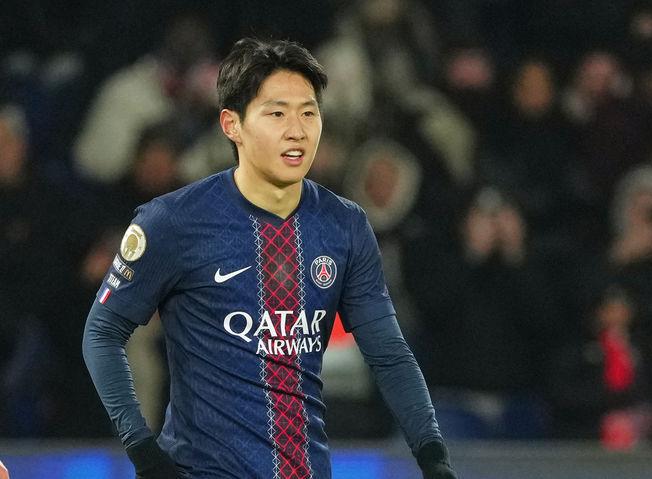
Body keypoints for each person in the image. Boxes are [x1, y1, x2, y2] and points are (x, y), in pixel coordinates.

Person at [82, 38, 456, 479]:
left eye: (309, 113)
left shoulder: (345, 225)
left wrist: (433, 457)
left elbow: (388, 353)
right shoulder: (173, 222)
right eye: (277, 114)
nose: (297, 130)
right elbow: (102, 333)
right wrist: (143, 452)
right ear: (232, 125)